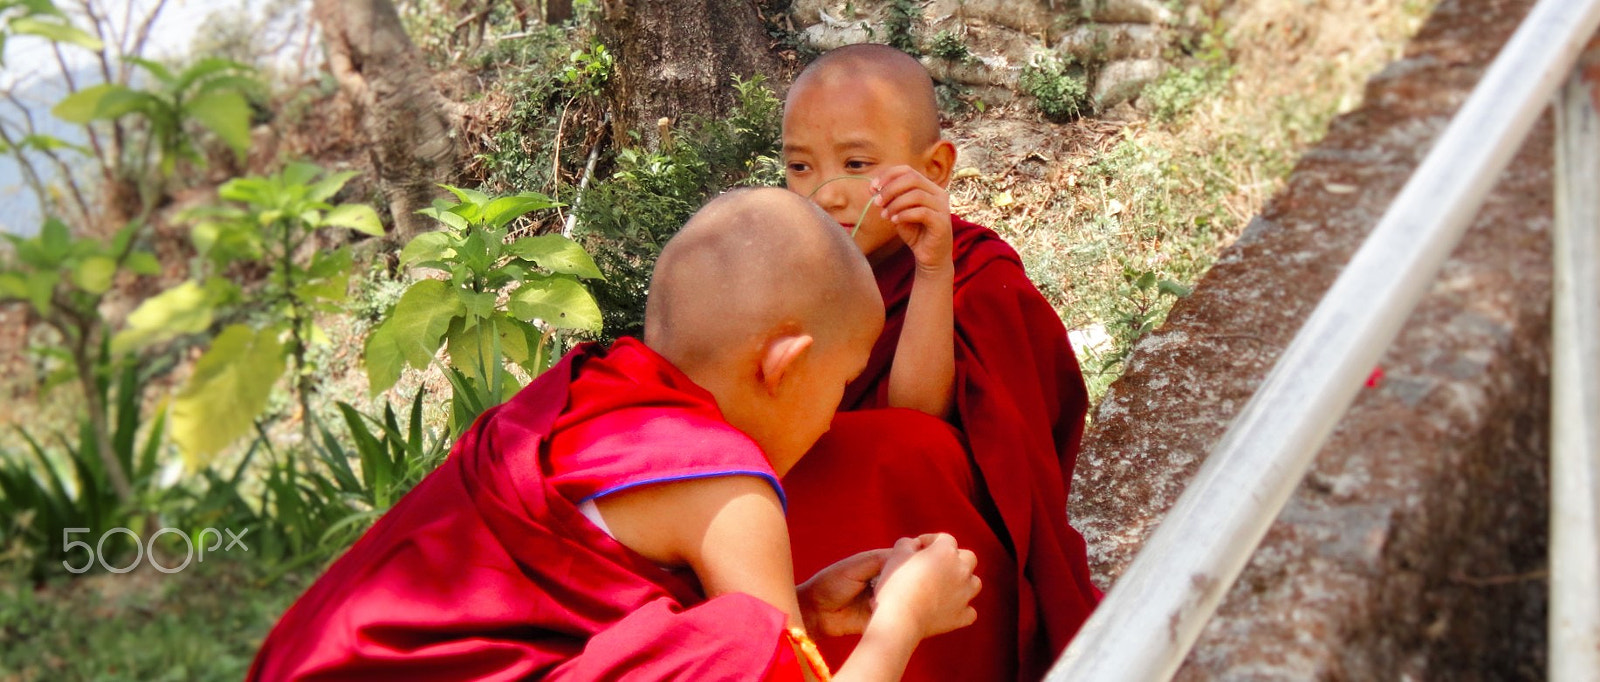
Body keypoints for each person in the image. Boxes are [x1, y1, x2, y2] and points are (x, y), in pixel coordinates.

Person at [248, 188, 983, 681]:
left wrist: (809, 606)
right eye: (841, 384)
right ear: (785, 365)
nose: (833, 417)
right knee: (739, 645)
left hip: (305, 658)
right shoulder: (728, 482)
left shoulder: (591, 390)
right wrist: (902, 620)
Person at [779, 43, 1101, 681]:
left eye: (856, 163)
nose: (826, 194)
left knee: (898, 447)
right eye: (798, 166)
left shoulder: (979, 276)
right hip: (814, 557)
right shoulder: (788, 277)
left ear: (935, 166)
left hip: (932, 532)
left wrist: (932, 268)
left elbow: (915, 421)